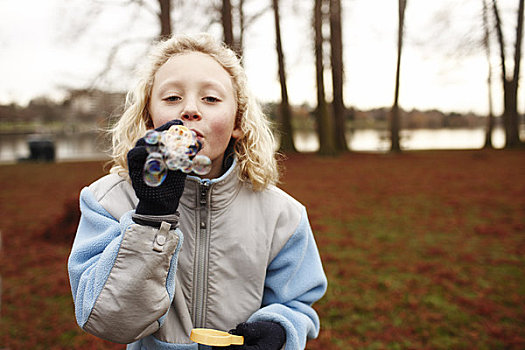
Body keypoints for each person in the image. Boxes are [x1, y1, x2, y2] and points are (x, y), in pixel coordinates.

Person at [68, 33, 327, 350]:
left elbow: (298, 304)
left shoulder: (283, 216)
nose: (189, 109)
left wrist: (282, 331)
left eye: (211, 99)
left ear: (238, 122)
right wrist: (150, 218)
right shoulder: (109, 200)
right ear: (150, 120)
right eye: (172, 98)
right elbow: (108, 321)